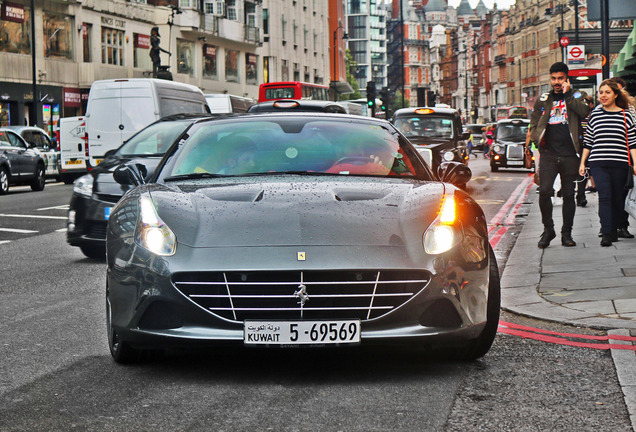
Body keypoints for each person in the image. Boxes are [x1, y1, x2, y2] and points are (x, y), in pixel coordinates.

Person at [528, 62, 591, 248]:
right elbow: (534, 121)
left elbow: (585, 111)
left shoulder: (578, 95)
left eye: (560, 78)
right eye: (554, 78)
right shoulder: (543, 99)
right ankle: (548, 230)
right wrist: (535, 136)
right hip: (548, 154)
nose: (557, 82)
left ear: (567, 78)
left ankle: (567, 233)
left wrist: (567, 95)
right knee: (544, 191)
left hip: (570, 154)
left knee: (569, 194)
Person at [579, 79, 636, 246]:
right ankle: (605, 233)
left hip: (620, 163)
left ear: (616, 95)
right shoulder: (595, 114)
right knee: (604, 197)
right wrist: (583, 162)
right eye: (601, 92)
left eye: (607, 92)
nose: (603, 95)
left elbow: (632, 142)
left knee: (618, 199)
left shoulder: (626, 115)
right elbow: (588, 141)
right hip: (598, 162)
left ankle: (613, 230)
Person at [612, 77, 636, 238]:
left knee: (624, 190)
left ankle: (622, 225)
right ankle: (608, 226)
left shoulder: (631, 109)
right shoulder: (603, 109)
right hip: (611, 156)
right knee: (609, 193)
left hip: (628, 155)